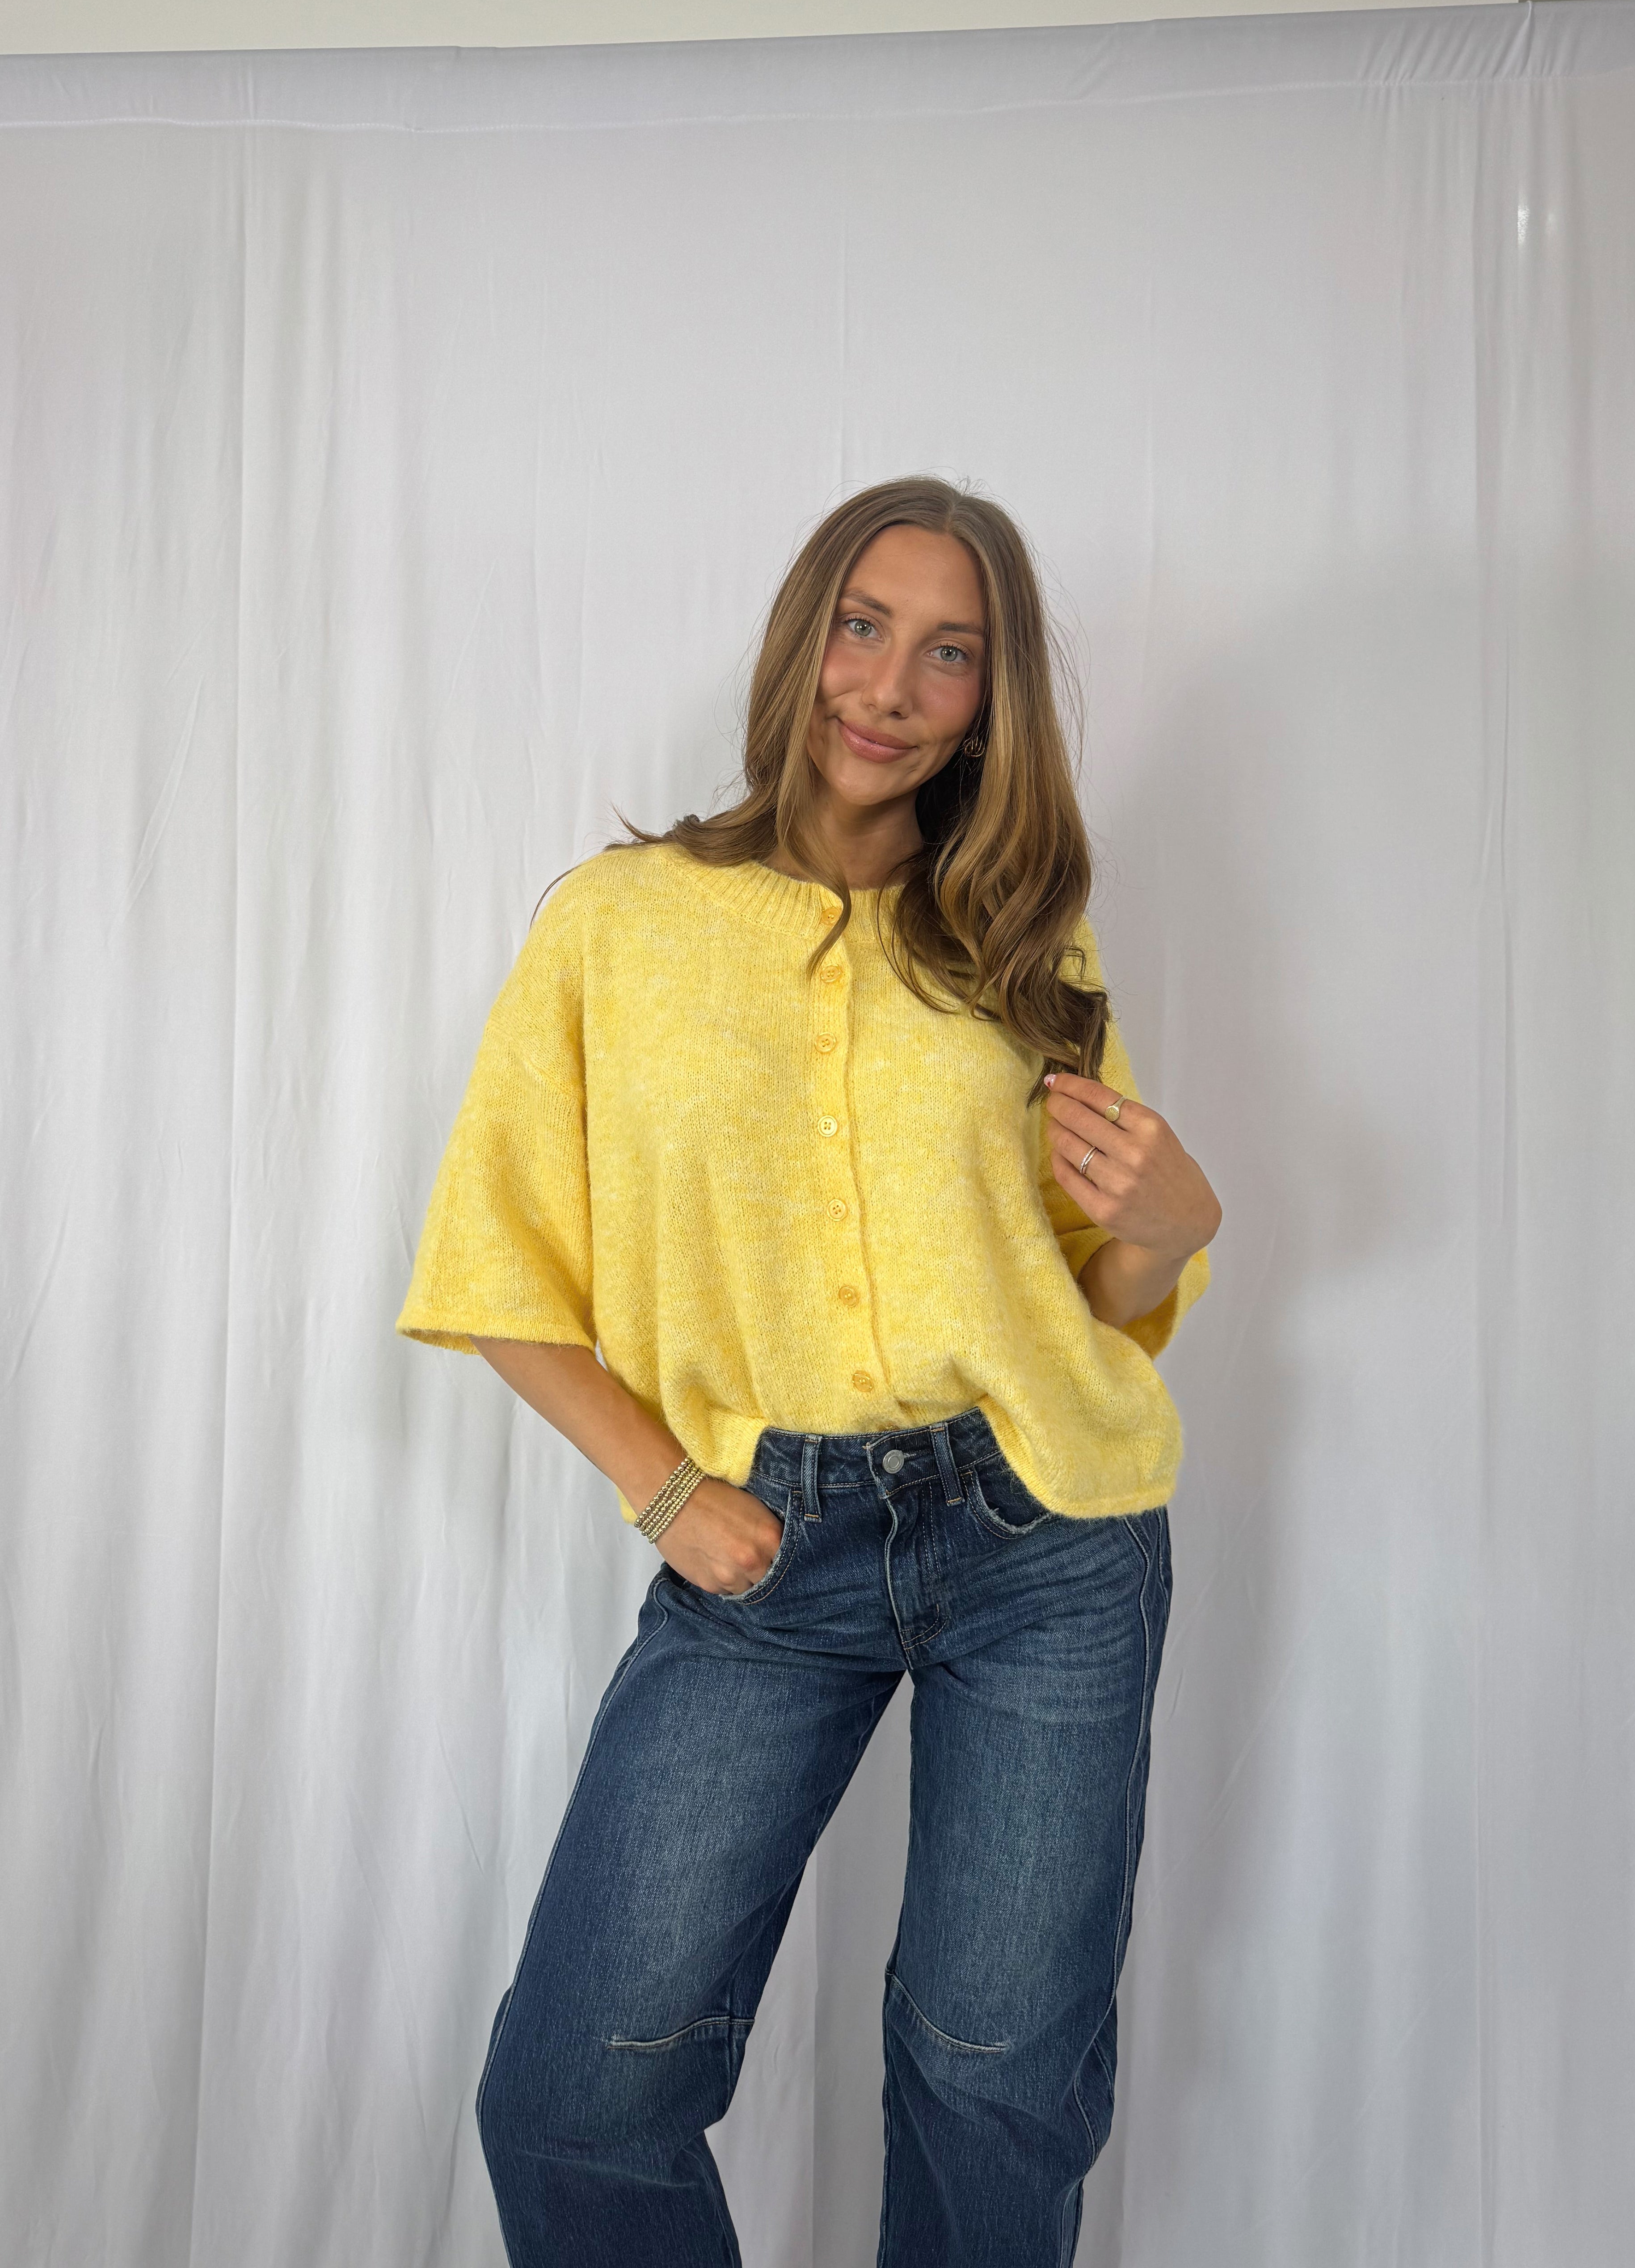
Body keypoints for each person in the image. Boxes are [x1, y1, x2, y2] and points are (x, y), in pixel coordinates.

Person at [396, 474, 1221, 2266]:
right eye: (865, 625)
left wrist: (1172, 1218)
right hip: (767, 1535)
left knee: (993, 2080)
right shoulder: (619, 923)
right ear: (803, 637)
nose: (890, 685)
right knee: (571, 2089)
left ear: (991, 706)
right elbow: (492, 1261)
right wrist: (668, 1486)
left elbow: (1101, 1287)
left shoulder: (1021, 945)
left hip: (1052, 1539)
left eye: (951, 654)